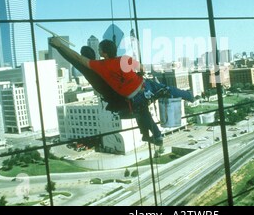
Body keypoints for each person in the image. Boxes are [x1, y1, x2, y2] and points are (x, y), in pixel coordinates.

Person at [49, 37, 194, 146]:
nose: (99, 52)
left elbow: (77, 58)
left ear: (104, 53)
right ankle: (189, 96)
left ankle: (156, 136)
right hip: (144, 87)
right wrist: (139, 76)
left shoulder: (99, 66)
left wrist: (60, 46)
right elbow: (142, 68)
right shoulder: (124, 59)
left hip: (132, 98)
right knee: (168, 89)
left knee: (143, 112)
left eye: (100, 50)